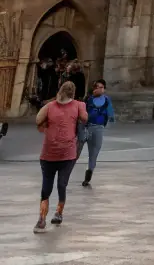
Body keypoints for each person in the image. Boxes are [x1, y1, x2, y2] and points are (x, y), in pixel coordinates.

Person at [34, 80, 87, 232]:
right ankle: (58, 213)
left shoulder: (50, 106)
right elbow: (85, 119)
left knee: (46, 186)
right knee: (62, 184)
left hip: (48, 154)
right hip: (67, 154)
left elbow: (38, 120)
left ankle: (41, 219)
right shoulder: (79, 105)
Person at [77, 79, 115, 186]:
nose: (100, 89)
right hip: (86, 127)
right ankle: (66, 170)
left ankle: (88, 175)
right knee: (76, 150)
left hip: (98, 128)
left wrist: (106, 122)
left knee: (93, 153)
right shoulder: (88, 99)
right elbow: (81, 113)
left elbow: (110, 114)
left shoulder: (107, 100)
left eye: (102, 87)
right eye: (98, 87)